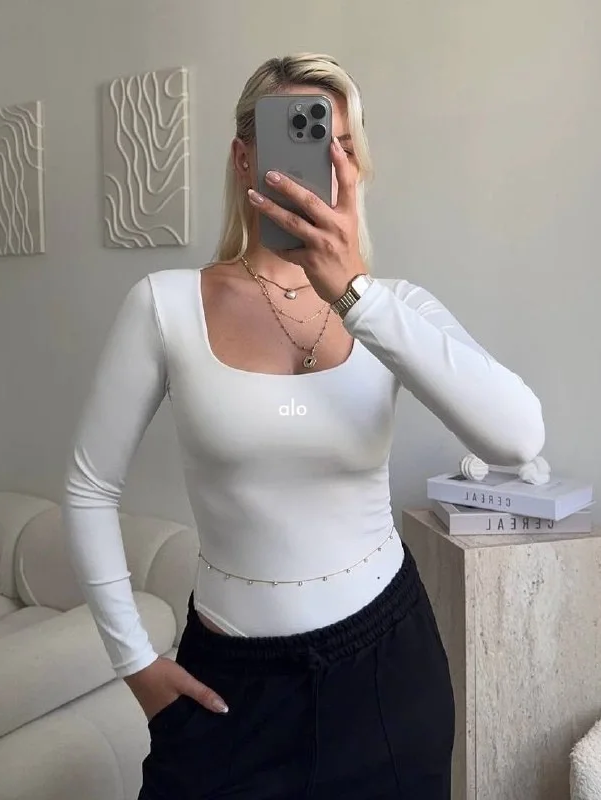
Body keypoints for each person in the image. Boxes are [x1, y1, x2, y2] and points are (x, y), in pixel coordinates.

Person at [62, 53, 545, 800]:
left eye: (339, 144)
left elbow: (516, 439)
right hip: (231, 683)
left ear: (355, 165)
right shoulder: (164, 305)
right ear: (243, 156)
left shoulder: (395, 308)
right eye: (298, 136)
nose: (323, 160)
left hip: (388, 668)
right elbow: (90, 486)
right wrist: (134, 662)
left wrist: (355, 294)